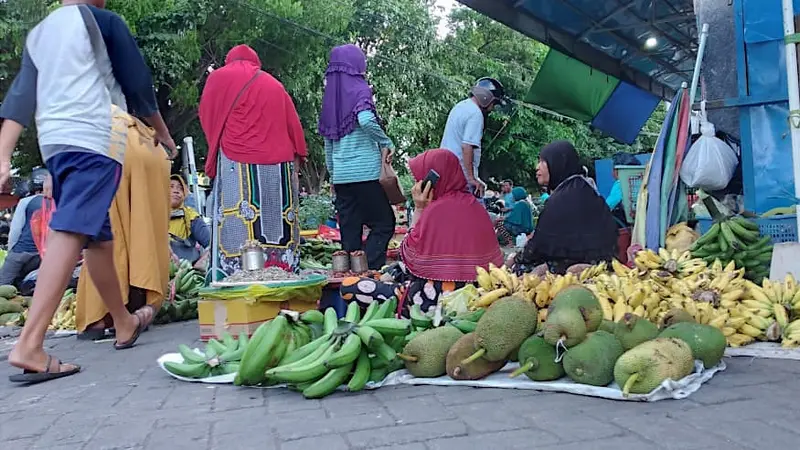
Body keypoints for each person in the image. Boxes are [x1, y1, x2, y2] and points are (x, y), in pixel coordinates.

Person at [0, 0, 177, 383]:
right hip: (95, 137)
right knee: (75, 226)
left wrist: (3, 156)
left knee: (98, 237)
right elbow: (138, 84)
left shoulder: (43, 32)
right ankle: (30, 343)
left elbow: (20, 97)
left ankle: (123, 321)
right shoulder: (104, 22)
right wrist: (162, 135)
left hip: (56, 144)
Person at [340, 149, 503, 316]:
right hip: (479, 295)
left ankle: (401, 303)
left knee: (349, 286)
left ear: (433, 180)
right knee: (395, 269)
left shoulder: (437, 210)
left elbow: (405, 254)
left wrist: (419, 209)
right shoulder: (476, 207)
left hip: (431, 301)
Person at [199, 44, 308, 278]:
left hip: (235, 163)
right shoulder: (275, 85)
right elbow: (294, 128)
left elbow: (208, 115)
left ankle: (233, 275)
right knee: (275, 221)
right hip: (277, 168)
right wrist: (296, 165)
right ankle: (282, 272)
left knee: (239, 221)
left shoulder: (219, 78)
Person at [76, 112, 172, 341]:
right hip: (149, 146)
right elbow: (140, 91)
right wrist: (164, 133)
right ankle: (134, 303)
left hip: (105, 139)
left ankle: (100, 315)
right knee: (144, 225)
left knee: (108, 230)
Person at [318, 44, 396, 270]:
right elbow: (366, 120)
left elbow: (328, 143)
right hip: (365, 175)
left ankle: (349, 282)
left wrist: (334, 176)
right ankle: (369, 271)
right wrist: (385, 141)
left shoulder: (330, 100)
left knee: (350, 234)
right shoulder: (360, 90)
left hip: (342, 178)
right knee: (383, 223)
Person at [512, 141, 617, 275]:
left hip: (577, 269)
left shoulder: (561, 199)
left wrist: (515, 260)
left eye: (542, 161)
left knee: (521, 270)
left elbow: (537, 247)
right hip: (603, 264)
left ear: (557, 163)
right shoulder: (585, 190)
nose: (537, 168)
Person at [440, 77, 508, 197]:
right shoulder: (475, 114)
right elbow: (467, 146)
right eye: (494, 103)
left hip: (446, 171)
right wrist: (471, 178)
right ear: (486, 97)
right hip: (459, 176)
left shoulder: (460, 106)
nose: (492, 108)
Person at [0, 170, 52, 287]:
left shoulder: (26, 201)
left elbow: (15, 229)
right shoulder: (56, 202)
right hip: (44, 255)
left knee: (2, 286)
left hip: (21, 252)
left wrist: (11, 251)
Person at [169, 175, 211, 265]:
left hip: (183, 274)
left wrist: (198, 265)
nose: (176, 191)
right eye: (171, 187)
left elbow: (213, 246)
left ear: (185, 194)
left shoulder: (191, 217)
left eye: (180, 188)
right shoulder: (152, 217)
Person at [607, 152, 641, 228]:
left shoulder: (620, 184)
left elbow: (607, 207)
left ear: (617, 171)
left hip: (626, 226)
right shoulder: (642, 181)